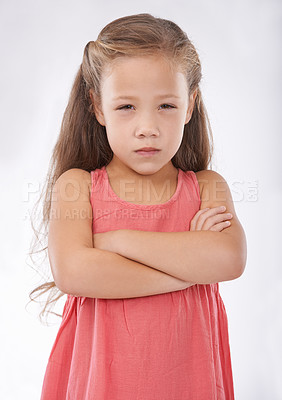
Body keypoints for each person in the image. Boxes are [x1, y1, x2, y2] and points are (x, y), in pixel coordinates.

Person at [38, 12, 247, 400]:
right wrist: (189, 269)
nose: (147, 126)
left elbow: (228, 259)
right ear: (98, 107)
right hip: (102, 386)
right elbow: (74, 272)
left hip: (190, 384)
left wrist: (115, 241)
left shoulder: (206, 187)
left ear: (190, 105)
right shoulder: (77, 186)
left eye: (166, 105)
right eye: (126, 107)